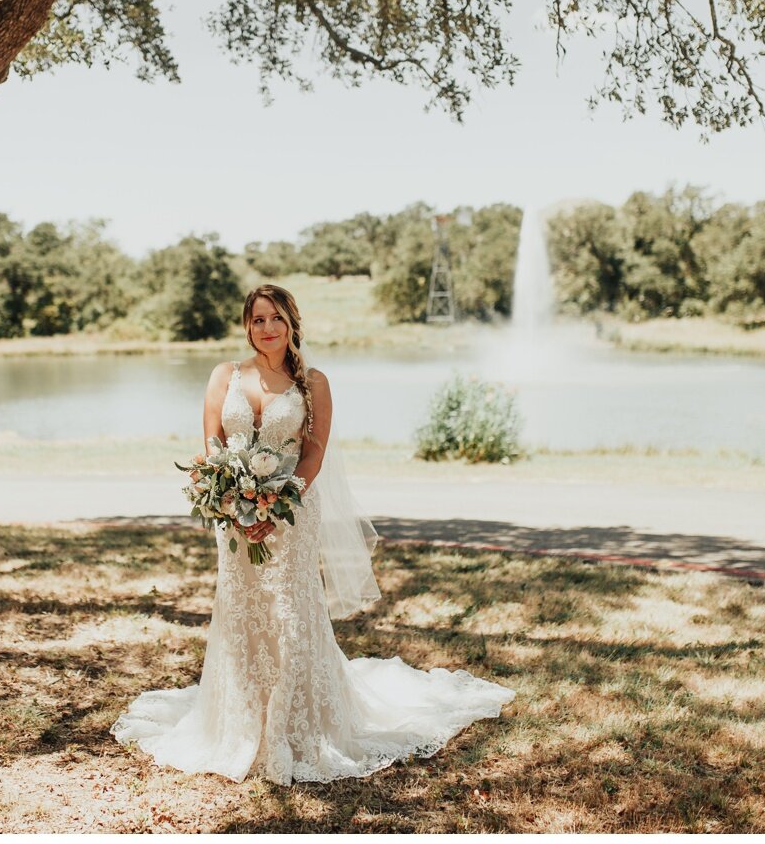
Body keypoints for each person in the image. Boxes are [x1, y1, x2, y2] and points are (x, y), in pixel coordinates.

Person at [110, 284, 515, 785]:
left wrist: (277, 505)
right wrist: (234, 504)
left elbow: (314, 453)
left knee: (290, 609)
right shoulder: (224, 376)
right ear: (247, 325)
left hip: (293, 512)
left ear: (292, 322)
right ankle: (240, 719)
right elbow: (212, 444)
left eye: (276, 318)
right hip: (234, 518)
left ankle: (293, 724)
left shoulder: (313, 383)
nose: (267, 328)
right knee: (242, 609)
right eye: (258, 319)